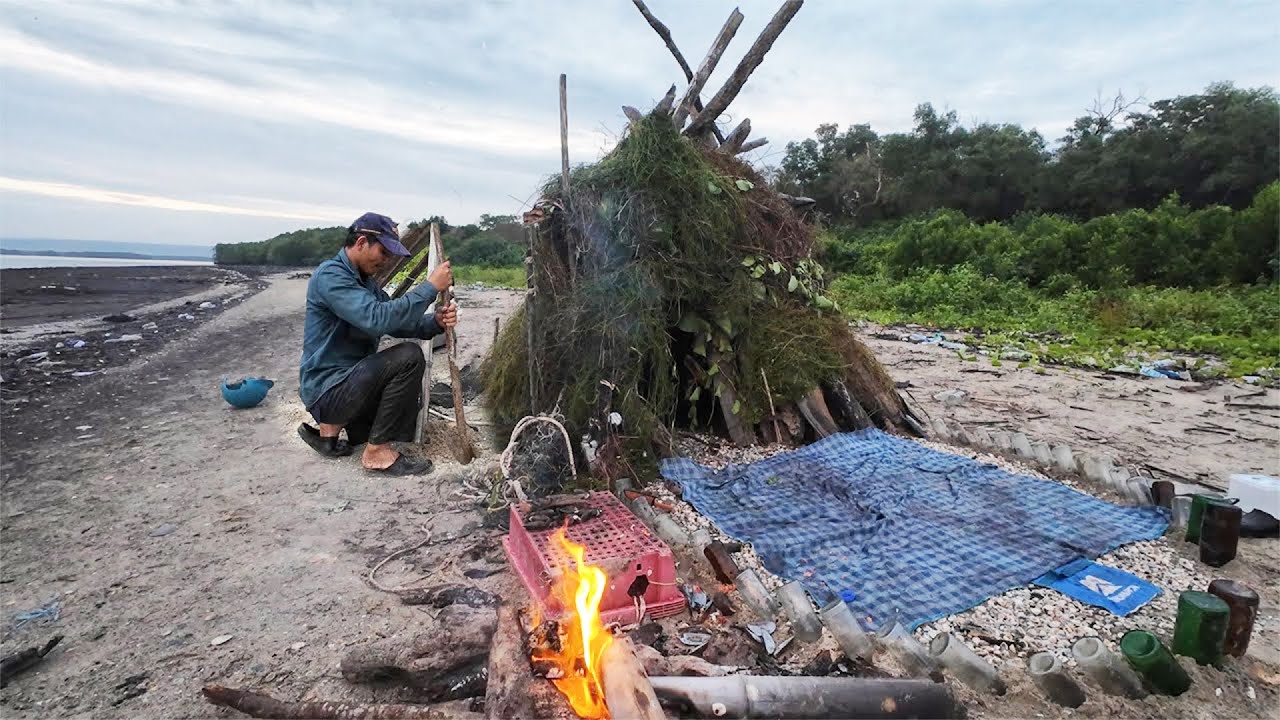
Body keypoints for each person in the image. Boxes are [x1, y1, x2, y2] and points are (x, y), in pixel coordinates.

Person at [297, 212, 456, 476]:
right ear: (361, 242)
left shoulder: (364, 283)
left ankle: (329, 437)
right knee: (409, 356)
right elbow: (376, 319)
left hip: (341, 386)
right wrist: (429, 288)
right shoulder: (331, 276)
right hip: (328, 391)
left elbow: (396, 322)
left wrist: (435, 323)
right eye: (383, 252)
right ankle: (377, 453)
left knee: (399, 413)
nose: (386, 260)